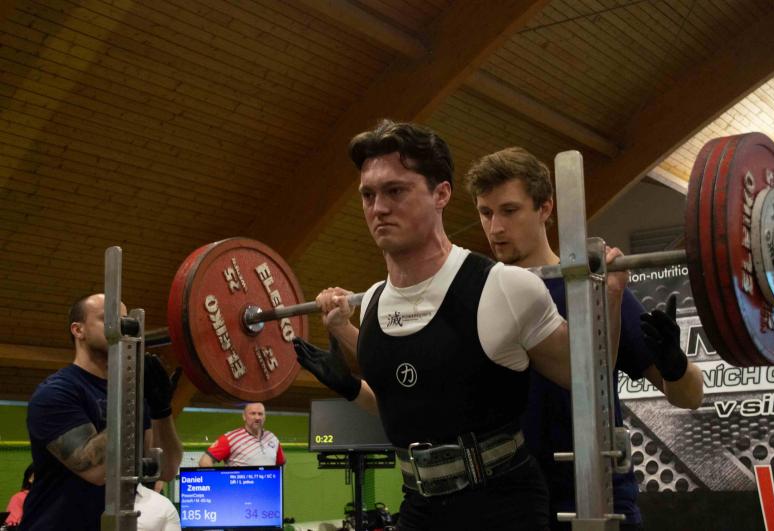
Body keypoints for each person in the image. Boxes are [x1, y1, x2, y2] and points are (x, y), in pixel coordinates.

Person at [292, 119, 629, 531]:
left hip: (501, 508)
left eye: (395, 191)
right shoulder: (375, 302)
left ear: (441, 194)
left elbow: (589, 379)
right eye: (368, 195)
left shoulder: (503, 287)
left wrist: (611, 298)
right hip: (418, 504)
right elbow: (411, 407)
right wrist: (348, 377)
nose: (378, 208)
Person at [463, 146, 704, 530]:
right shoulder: (478, 298)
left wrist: (675, 366)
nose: (495, 229)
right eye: (486, 213)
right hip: (512, 508)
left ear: (544, 208)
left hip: (598, 501)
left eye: (509, 211)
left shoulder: (597, 290)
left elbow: (690, 396)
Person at [21, 293, 183, 531]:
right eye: (108, 318)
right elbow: (96, 471)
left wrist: (162, 410)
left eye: (125, 320)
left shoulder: (135, 395)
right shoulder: (56, 393)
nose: (122, 327)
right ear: (78, 330)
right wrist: (131, 399)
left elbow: (166, 469)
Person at [198, 402, 286, 467]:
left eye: (260, 414)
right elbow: (204, 461)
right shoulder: (231, 438)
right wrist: (221, 482)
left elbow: (281, 462)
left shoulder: (272, 438)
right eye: (253, 413)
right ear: (244, 416)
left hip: (267, 487)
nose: (257, 417)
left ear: (264, 417)